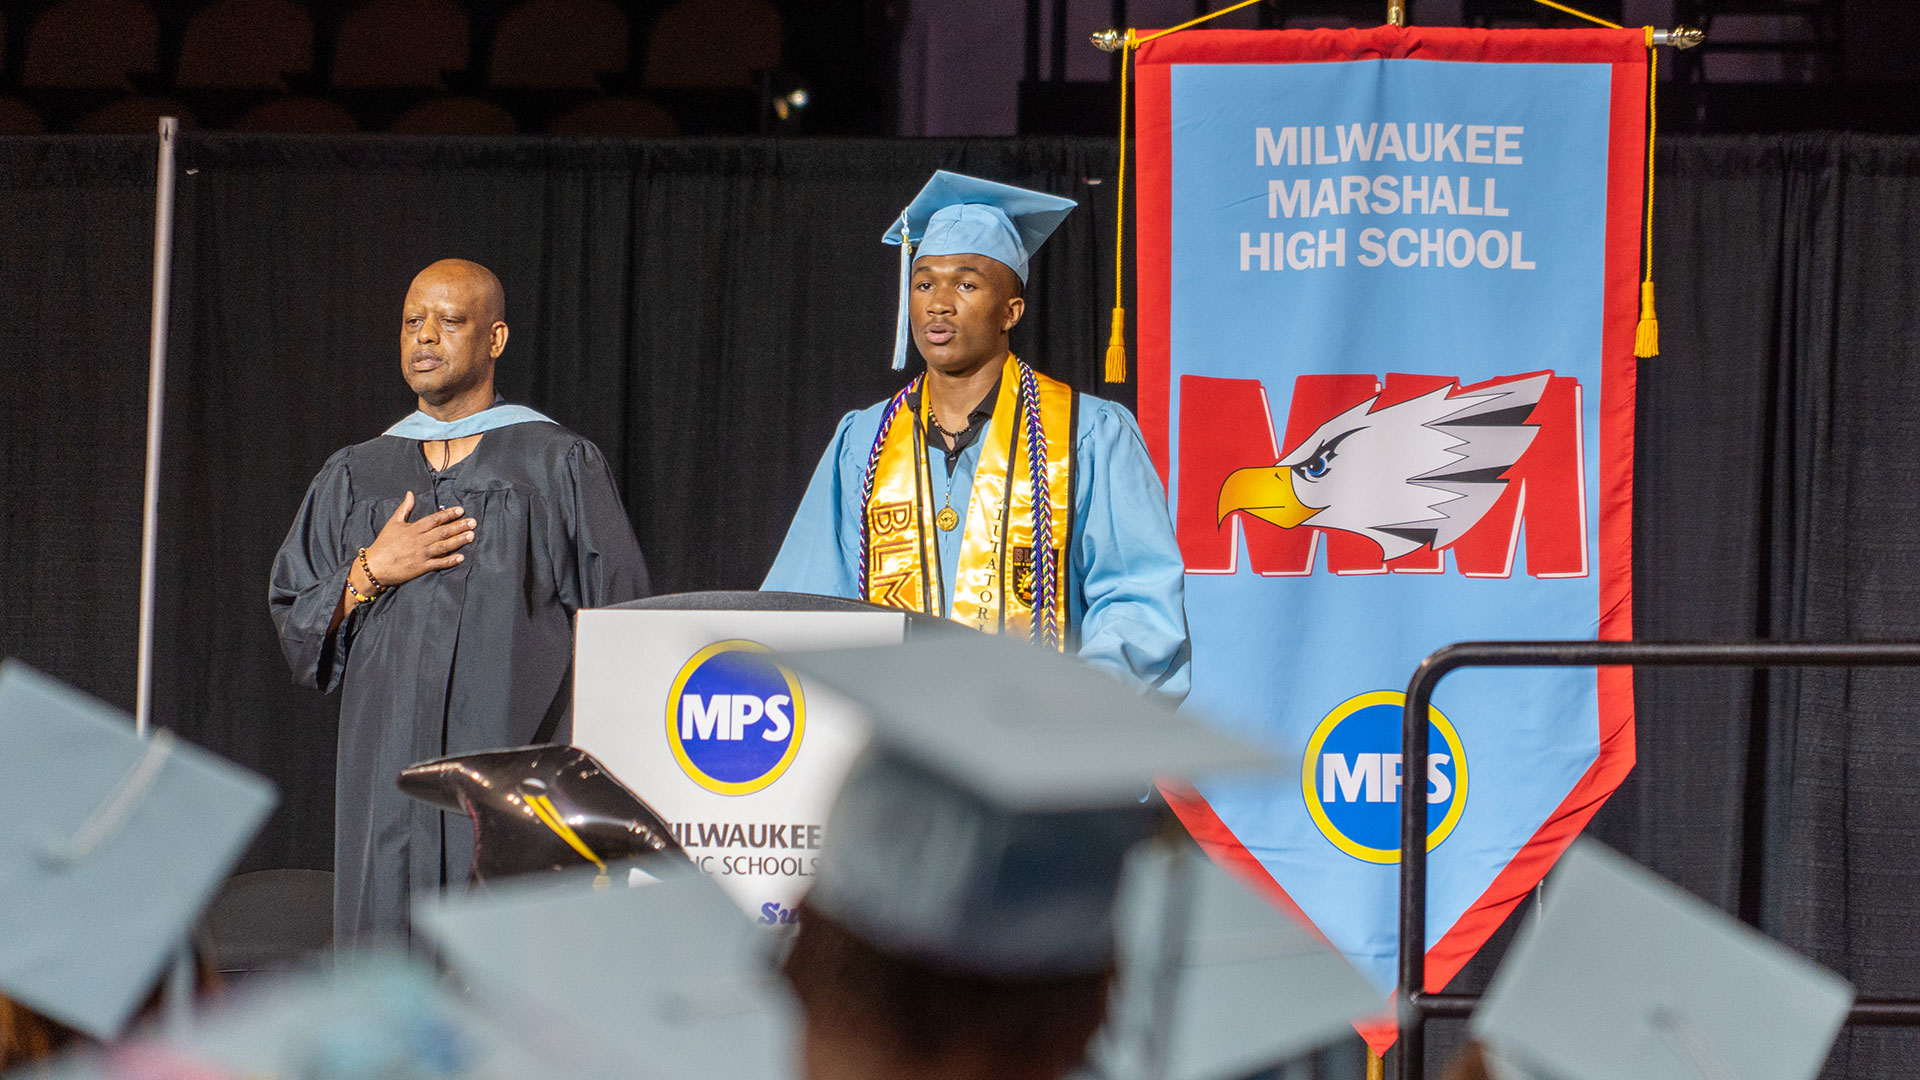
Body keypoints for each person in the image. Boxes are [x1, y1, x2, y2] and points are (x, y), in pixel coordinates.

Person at [269, 259, 650, 944]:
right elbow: (296, 622)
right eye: (412, 321)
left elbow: (623, 630)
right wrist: (370, 570)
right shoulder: (356, 473)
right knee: (388, 970)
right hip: (388, 789)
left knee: (503, 967)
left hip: (515, 792)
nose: (424, 337)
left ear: (495, 339)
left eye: (448, 321)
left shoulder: (555, 465)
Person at [762, 172, 1189, 698]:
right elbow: (806, 605)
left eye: (965, 285)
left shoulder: (1088, 434)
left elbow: (1138, 605)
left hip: (1039, 732)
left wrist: (1073, 708)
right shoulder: (863, 442)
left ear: (1011, 311)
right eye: (924, 284)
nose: (938, 303)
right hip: (893, 730)